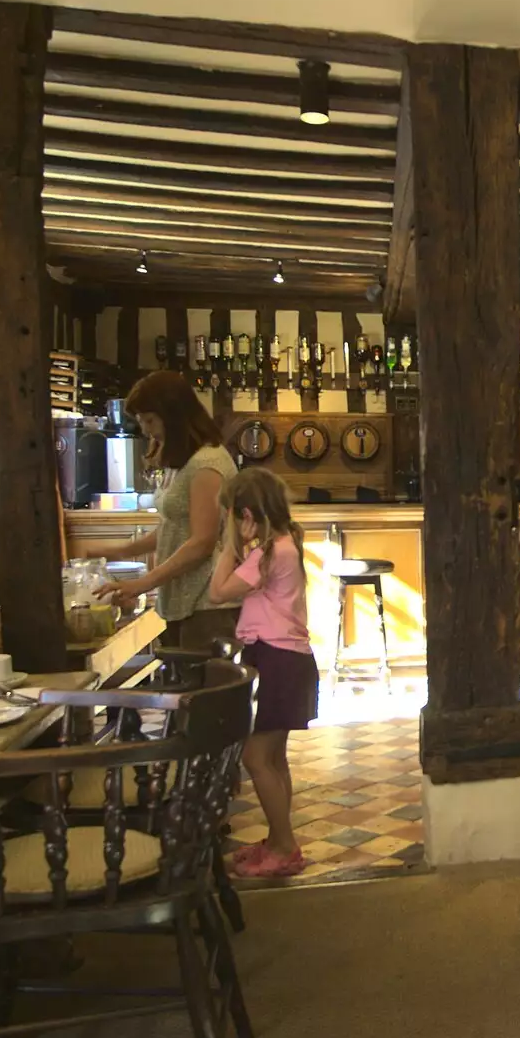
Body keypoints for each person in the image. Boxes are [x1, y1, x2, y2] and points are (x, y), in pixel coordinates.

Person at [209, 467, 318, 879]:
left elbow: (218, 592)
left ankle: (286, 846)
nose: (232, 526)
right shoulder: (285, 545)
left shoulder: (268, 553)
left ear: (249, 516)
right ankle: (278, 840)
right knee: (274, 758)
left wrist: (227, 545)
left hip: (276, 660)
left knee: (255, 757)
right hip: (287, 660)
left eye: (233, 517)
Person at [98, 371, 240, 648]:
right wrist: (118, 552)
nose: (146, 430)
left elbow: (202, 542)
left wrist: (141, 584)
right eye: (141, 421)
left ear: (175, 416)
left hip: (208, 605)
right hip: (184, 600)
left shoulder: (207, 463)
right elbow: (174, 525)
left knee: (204, 689)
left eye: (150, 420)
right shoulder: (183, 462)